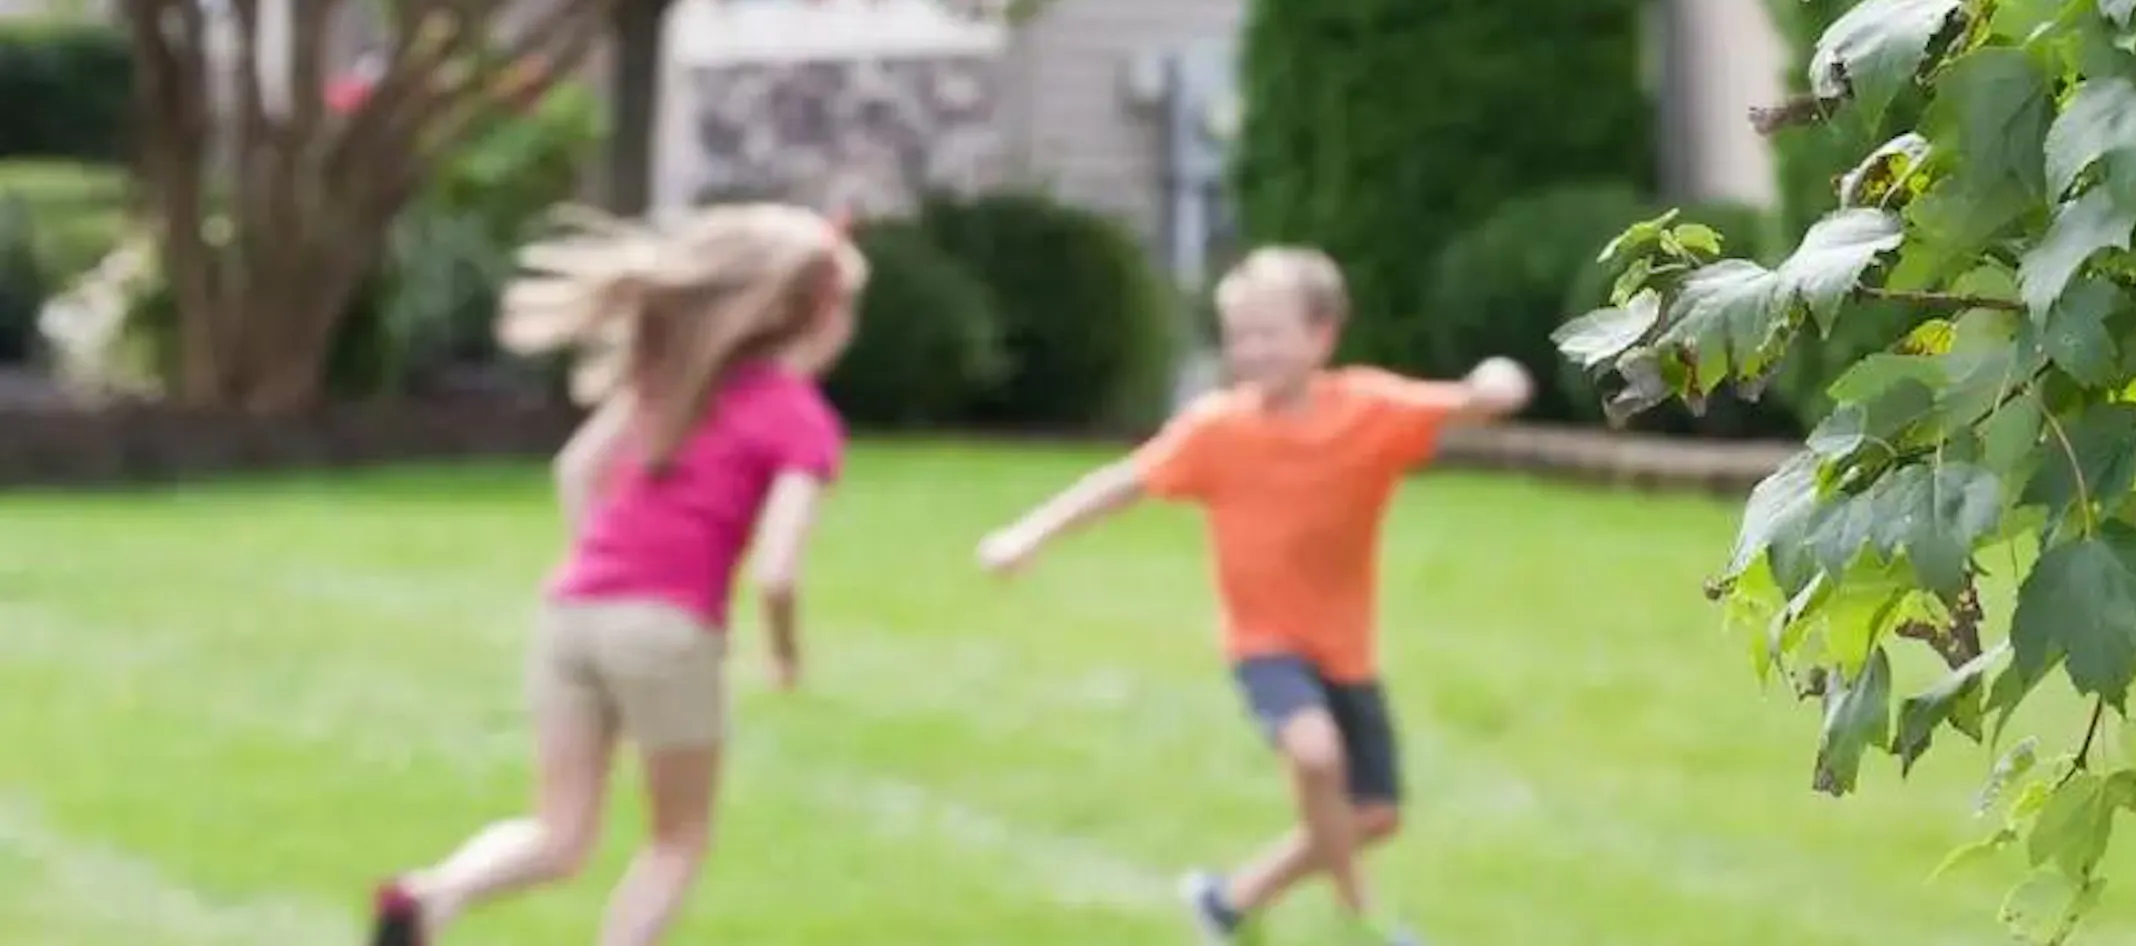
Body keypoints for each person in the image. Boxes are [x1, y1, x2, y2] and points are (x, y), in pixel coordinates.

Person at [977, 245, 1531, 945]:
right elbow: (1125, 482)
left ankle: (1229, 899)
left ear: (1322, 336)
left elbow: (1471, 404)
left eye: (1268, 332)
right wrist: (1029, 535)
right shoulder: (1218, 429)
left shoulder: (1369, 408)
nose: (1250, 350)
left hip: (1347, 649)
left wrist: (1500, 381)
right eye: (1239, 335)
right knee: (1315, 754)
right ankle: (1361, 920)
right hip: (1264, 641)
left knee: (1374, 816)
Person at [367, 203, 867, 946]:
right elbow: (777, 572)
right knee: (677, 841)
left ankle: (432, 896)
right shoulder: (799, 419)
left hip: (572, 614)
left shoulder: (669, 380)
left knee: (560, 833)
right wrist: (786, 653)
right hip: (667, 631)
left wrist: (601, 573)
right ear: (821, 316)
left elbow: (575, 472)